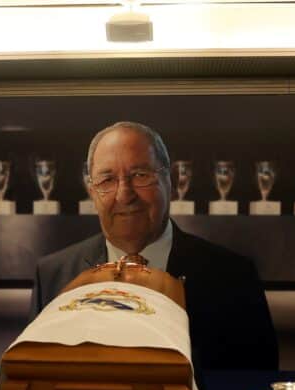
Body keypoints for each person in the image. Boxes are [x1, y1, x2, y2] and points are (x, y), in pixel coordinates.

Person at [30, 121, 278, 371]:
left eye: (140, 176)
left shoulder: (233, 278)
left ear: (169, 182)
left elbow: (254, 388)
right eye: (107, 180)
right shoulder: (53, 277)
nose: (124, 194)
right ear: (93, 192)